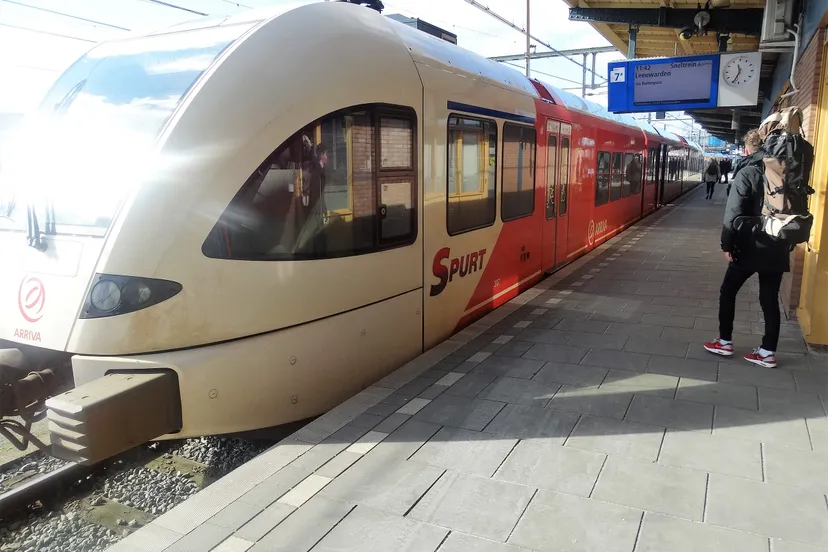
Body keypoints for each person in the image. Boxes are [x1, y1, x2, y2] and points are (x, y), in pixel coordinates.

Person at [703, 129, 790, 368]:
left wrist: (726, 244)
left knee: (728, 291)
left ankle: (725, 341)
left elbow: (732, 213)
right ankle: (767, 352)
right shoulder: (785, 171)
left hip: (751, 245)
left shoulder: (748, 172)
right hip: (779, 243)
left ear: (747, 149)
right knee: (769, 299)